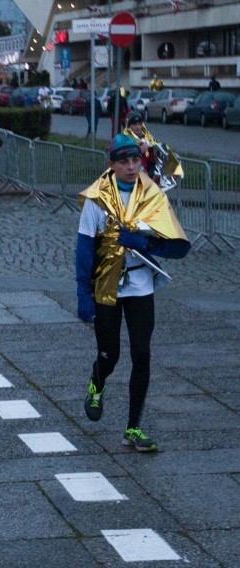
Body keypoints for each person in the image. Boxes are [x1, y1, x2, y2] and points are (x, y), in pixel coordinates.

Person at [76, 134, 191, 452]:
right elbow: (84, 249)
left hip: (140, 285)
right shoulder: (96, 200)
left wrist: (144, 243)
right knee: (109, 354)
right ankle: (96, 384)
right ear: (111, 164)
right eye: (123, 161)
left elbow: (176, 246)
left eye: (135, 160)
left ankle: (134, 427)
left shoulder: (152, 196)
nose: (131, 167)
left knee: (142, 353)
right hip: (105, 285)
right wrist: (83, 295)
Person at [123, 112, 183, 188]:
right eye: (134, 124)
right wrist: (140, 150)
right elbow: (124, 156)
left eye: (139, 124)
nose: (138, 127)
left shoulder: (147, 138)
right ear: (129, 126)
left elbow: (153, 156)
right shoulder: (124, 139)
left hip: (148, 171)